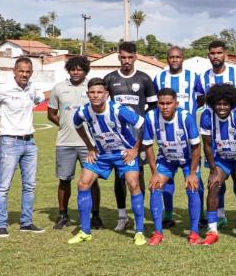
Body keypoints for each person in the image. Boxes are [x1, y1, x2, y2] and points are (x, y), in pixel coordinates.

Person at [67, 78, 146, 245]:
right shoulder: (83, 111)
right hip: (102, 155)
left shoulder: (118, 110)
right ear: (87, 94)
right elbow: (77, 125)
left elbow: (143, 124)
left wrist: (135, 149)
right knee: (83, 184)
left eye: (99, 92)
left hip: (124, 153)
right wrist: (90, 147)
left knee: (133, 184)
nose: (95, 95)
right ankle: (85, 231)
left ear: (106, 94)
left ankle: (139, 232)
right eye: (92, 92)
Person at [0, 56, 47, 237]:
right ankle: (1, 224)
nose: (24, 74)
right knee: (4, 186)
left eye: (28, 72)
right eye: (21, 71)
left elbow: (41, 97)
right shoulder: (4, 89)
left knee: (29, 185)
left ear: (31, 73)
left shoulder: (31, 88)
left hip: (30, 143)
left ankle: (26, 223)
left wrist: (67, 87)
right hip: (9, 142)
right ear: (14, 71)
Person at [197, 39, 236, 229]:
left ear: (225, 54)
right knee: (217, 181)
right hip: (216, 135)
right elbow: (199, 99)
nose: (216, 56)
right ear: (208, 55)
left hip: (234, 133)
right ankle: (219, 215)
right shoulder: (203, 77)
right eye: (212, 53)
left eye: (219, 53)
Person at [104, 41, 157, 232]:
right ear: (119, 57)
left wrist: (140, 119)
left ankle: (137, 216)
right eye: (123, 57)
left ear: (135, 57)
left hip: (137, 137)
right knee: (119, 176)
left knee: (138, 175)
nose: (126, 61)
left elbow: (152, 105)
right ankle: (122, 216)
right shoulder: (109, 78)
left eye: (130, 57)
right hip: (117, 137)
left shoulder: (144, 79)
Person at [141, 88, 203, 246]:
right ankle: (157, 232)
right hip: (167, 159)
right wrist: (154, 172)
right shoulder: (150, 117)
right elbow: (148, 146)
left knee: (193, 187)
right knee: (154, 187)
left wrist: (193, 173)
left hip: (189, 160)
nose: (165, 107)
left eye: (169, 103)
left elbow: (196, 146)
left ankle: (194, 232)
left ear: (176, 103)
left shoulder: (185, 117)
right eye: (161, 103)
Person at [47, 56, 101, 230]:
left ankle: (96, 216)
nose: (76, 72)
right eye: (73, 69)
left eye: (80, 69)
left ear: (85, 70)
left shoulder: (92, 88)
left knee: (92, 180)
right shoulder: (59, 88)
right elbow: (51, 113)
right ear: (68, 70)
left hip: (90, 145)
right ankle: (63, 215)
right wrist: (64, 124)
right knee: (64, 180)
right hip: (65, 143)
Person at [153, 45, 203, 230]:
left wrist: (187, 114)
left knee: (195, 177)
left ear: (183, 58)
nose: (174, 60)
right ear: (167, 59)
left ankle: (201, 214)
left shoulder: (193, 77)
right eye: (171, 57)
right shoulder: (159, 77)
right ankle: (168, 214)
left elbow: (202, 97)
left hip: (187, 134)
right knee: (167, 178)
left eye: (178, 57)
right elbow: (155, 100)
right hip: (167, 134)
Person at [199, 84, 236, 246]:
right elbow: (207, 146)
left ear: (231, 103)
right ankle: (212, 231)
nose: (222, 107)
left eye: (225, 104)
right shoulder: (207, 116)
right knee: (214, 185)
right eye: (218, 104)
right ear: (212, 103)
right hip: (222, 158)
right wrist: (213, 169)